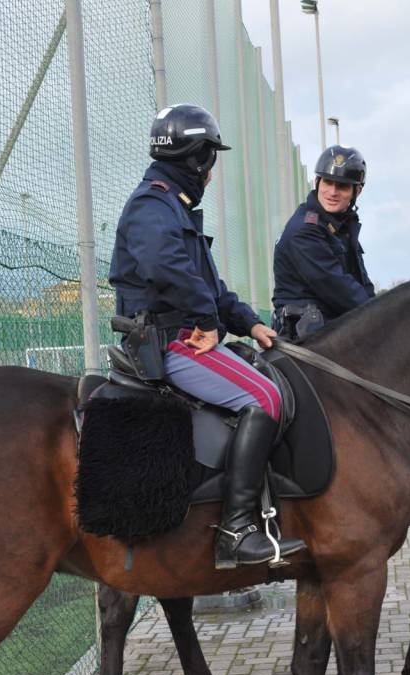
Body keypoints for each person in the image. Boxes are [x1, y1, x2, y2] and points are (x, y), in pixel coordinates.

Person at [108, 103, 304, 570]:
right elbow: (166, 269)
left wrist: (248, 323)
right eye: (211, 159)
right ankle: (236, 530)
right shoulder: (151, 205)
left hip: (181, 330)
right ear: (197, 159)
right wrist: (207, 320)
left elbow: (209, 288)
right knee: (266, 400)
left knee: (268, 378)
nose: (212, 173)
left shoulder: (173, 208)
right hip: (167, 340)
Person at [272, 145, 375, 341]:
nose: (332, 192)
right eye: (328, 182)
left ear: (357, 191)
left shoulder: (340, 228)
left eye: (342, 186)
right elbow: (341, 291)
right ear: (317, 182)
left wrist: (385, 309)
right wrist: (382, 316)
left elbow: (363, 285)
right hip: (305, 339)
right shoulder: (305, 230)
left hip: (330, 331)